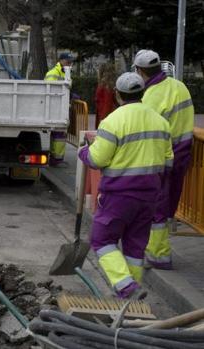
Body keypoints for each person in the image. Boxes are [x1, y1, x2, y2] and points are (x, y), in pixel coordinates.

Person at [78, 72, 173, 298]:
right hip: (149, 196)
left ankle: (126, 286)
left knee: (101, 240)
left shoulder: (113, 121)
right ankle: (130, 300)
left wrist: (84, 151)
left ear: (118, 95)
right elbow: (168, 162)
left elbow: (98, 159)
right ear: (142, 93)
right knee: (134, 247)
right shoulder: (160, 121)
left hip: (118, 196)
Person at [133, 50, 195, 270]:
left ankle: (159, 254)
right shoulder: (180, 86)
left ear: (140, 71)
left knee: (156, 206)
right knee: (168, 204)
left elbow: (146, 131)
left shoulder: (150, 97)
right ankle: (156, 247)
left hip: (160, 157)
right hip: (182, 153)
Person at [45, 53, 74, 166]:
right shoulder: (53, 73)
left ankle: (56, 158)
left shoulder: (64, 72)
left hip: (61, 108)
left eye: (71, 62)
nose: (70, 64)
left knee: (59, 135)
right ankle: (56, 159)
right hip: (56, 109)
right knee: (59, 135)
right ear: (61, 61)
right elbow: (50, 91)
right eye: (68, 61)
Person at [95, 63, 117, 129]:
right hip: (106, 113)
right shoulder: (109, 84)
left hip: (104, 114)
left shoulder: (105, 85)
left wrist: (103, 119)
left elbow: (107, 103)